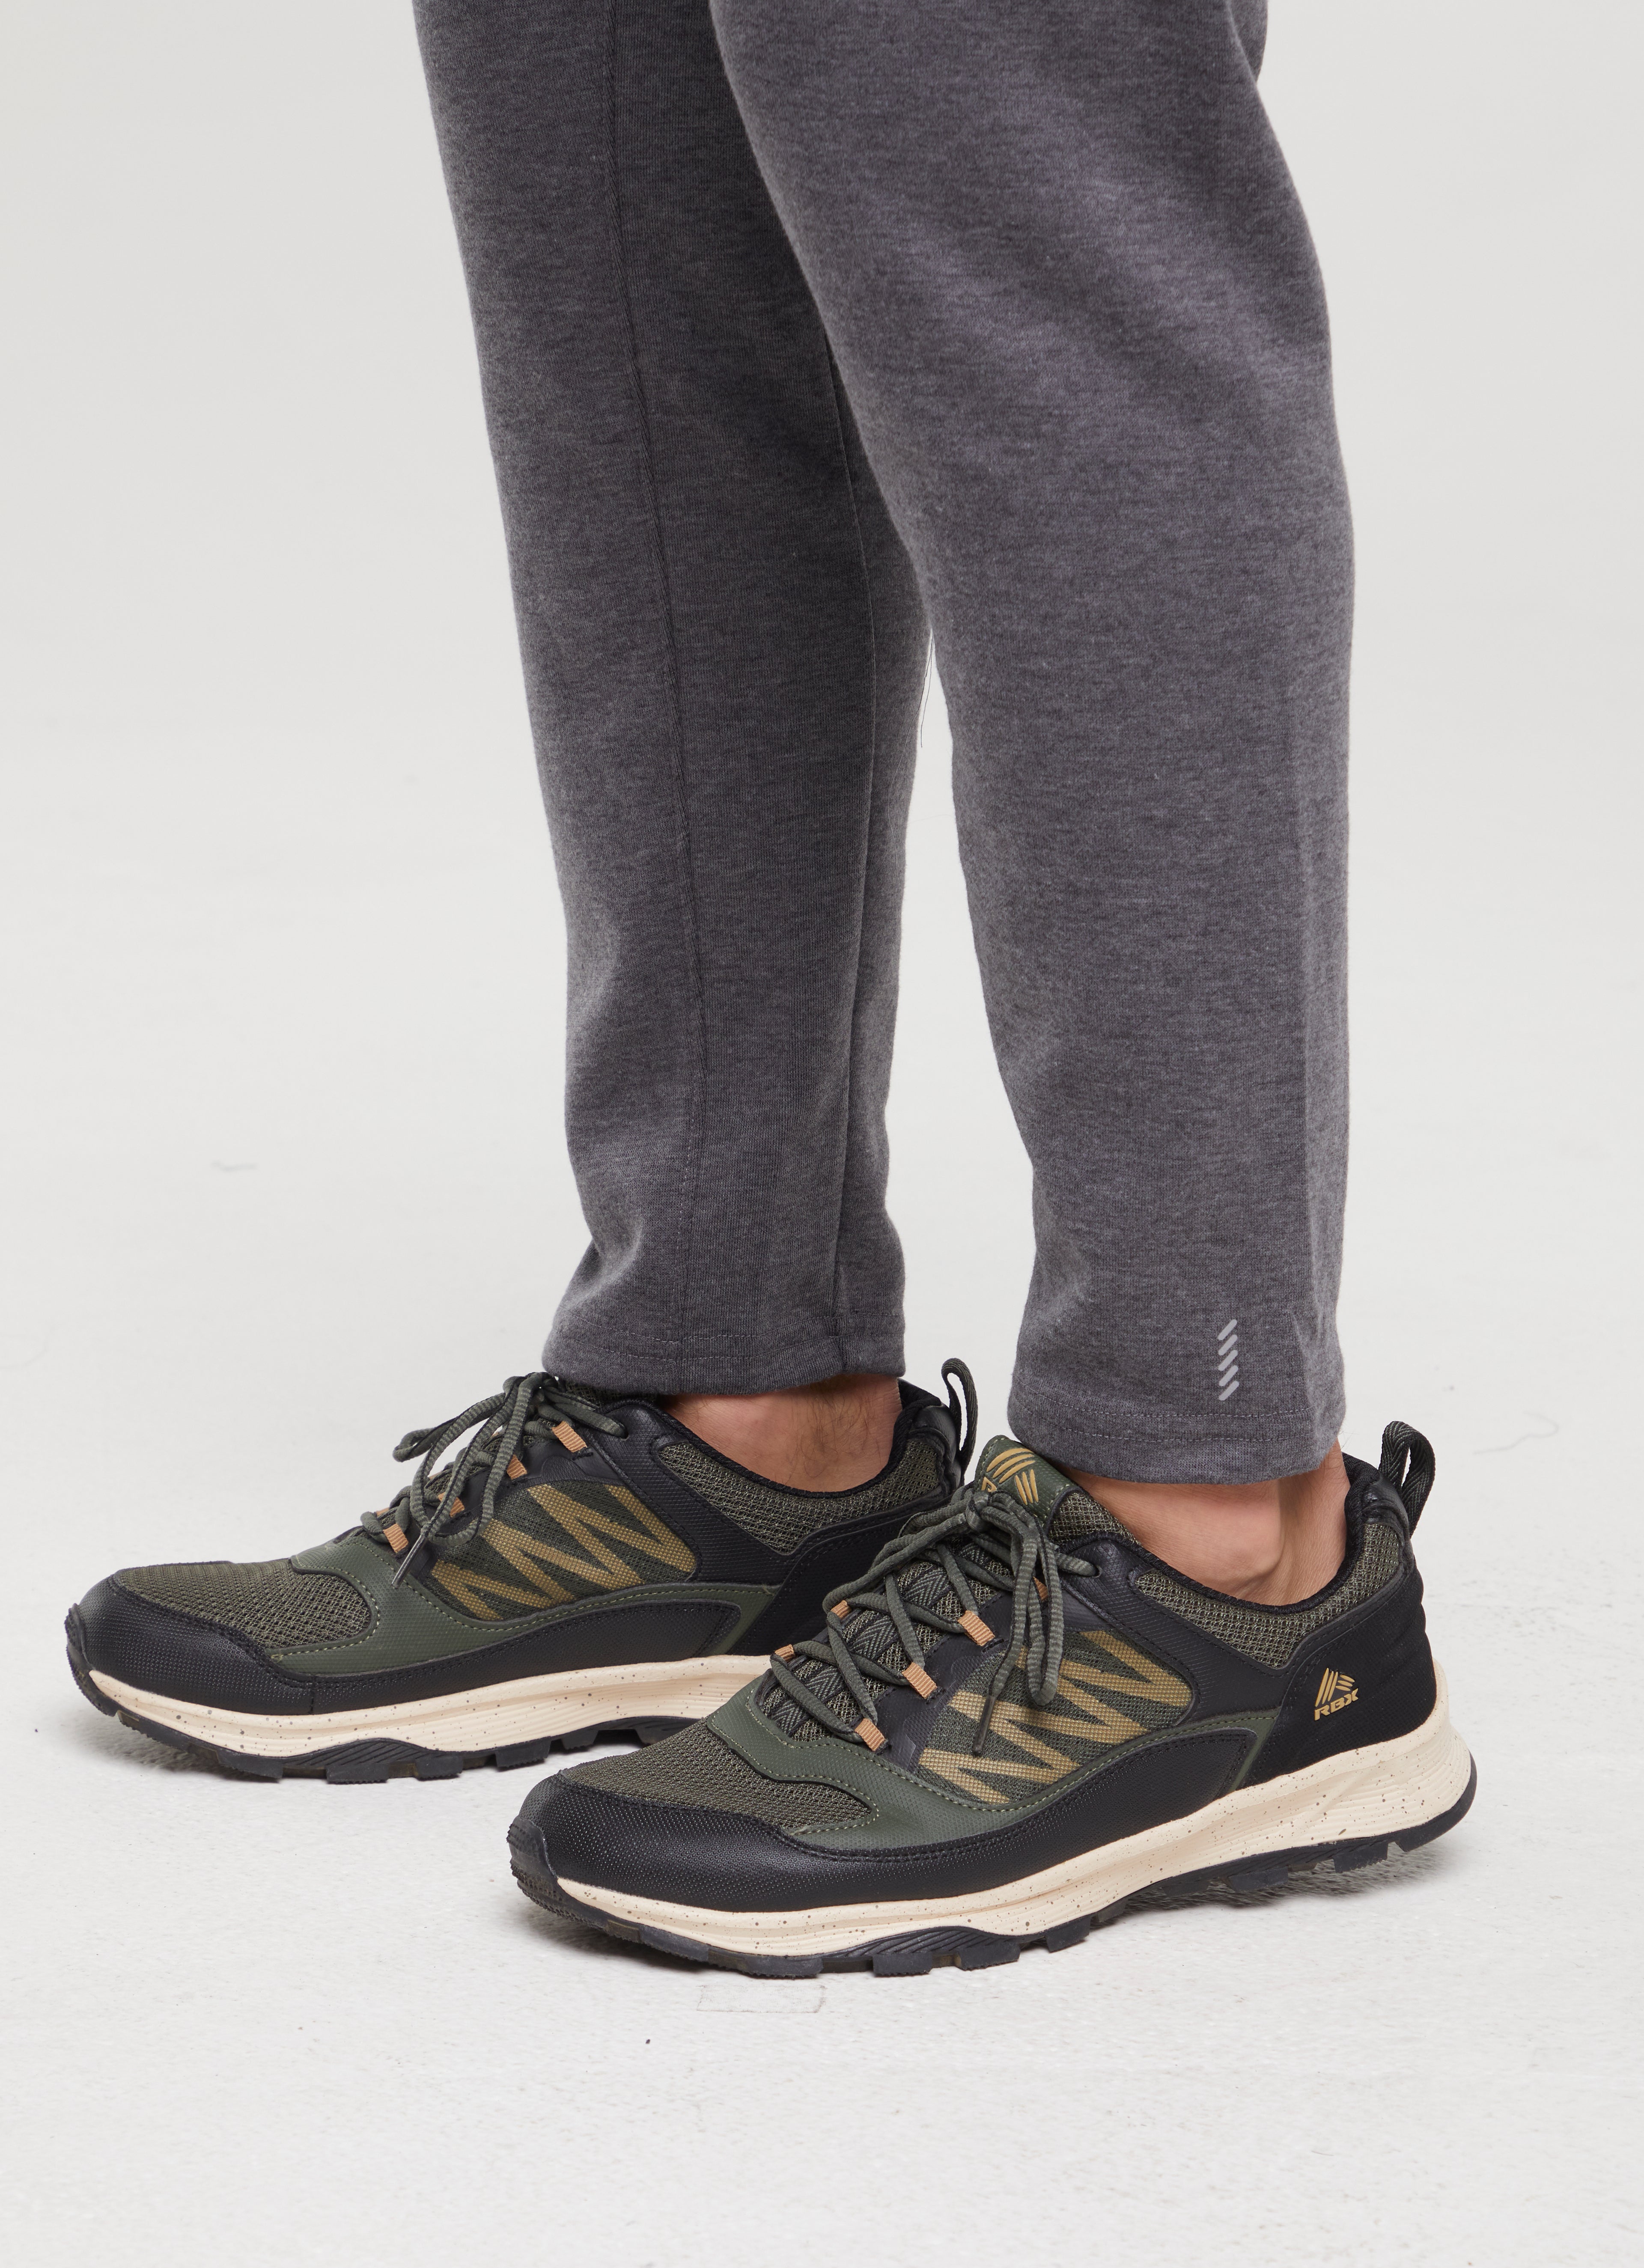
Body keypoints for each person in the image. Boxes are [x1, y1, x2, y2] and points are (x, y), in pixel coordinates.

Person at [65, 0, 1474, 1971]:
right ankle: (739, 1399)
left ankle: (1216, 1529)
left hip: (1226, 1563)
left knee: (1026, 173)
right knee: (621, 226)